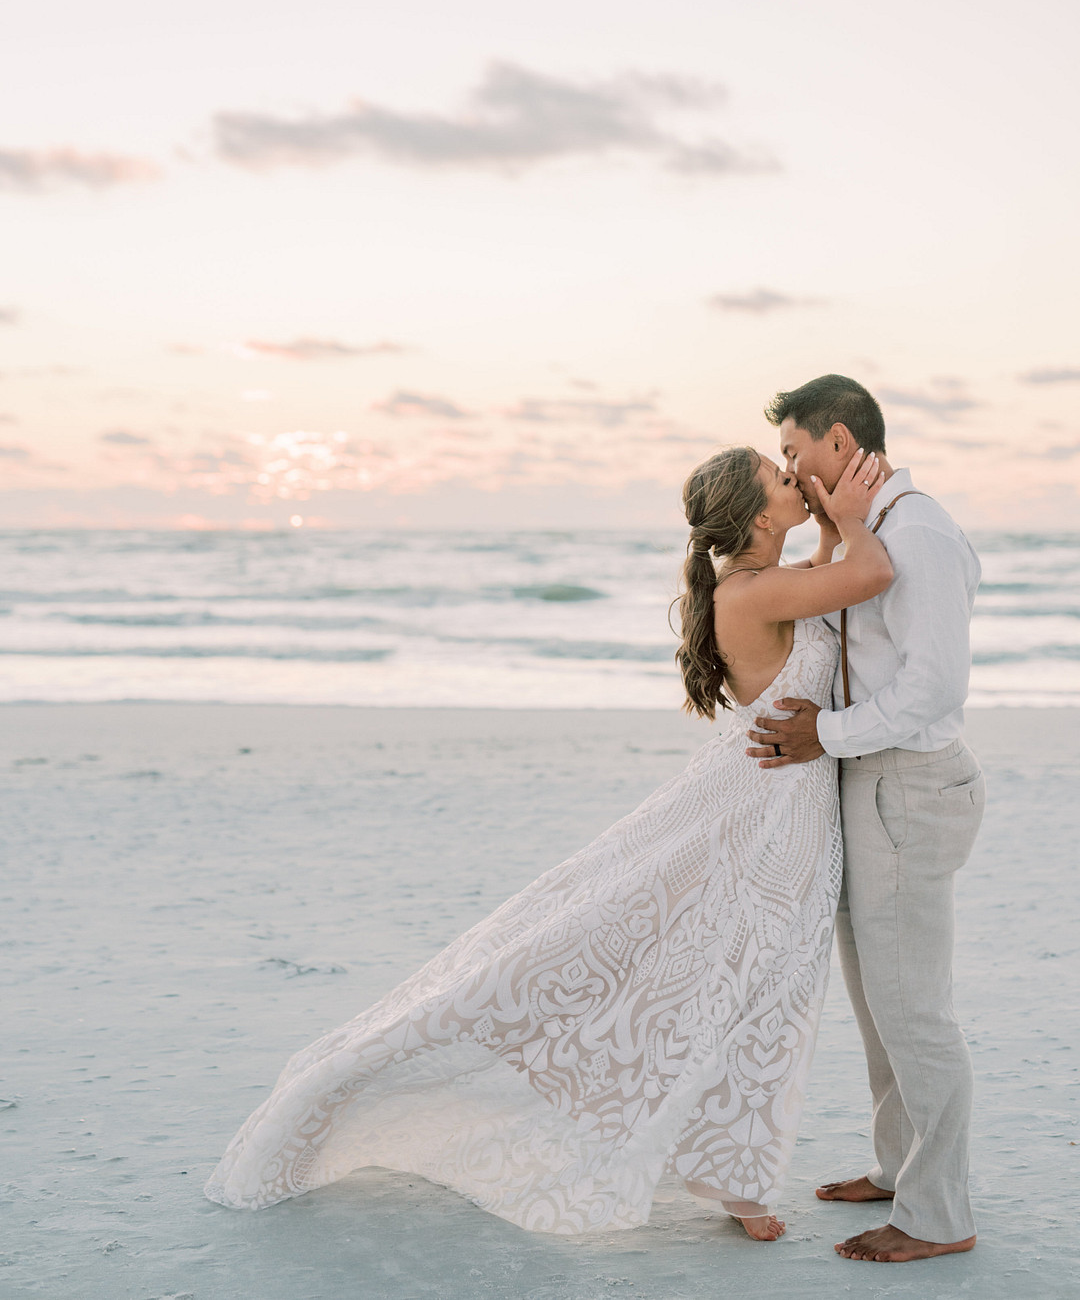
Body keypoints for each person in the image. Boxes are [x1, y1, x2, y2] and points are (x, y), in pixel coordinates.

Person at [205, 445, 891, 1241]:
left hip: (773, 805)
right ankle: (734, 1178)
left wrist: (833, 534)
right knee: (739, 986)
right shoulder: (756, 590)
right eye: (781, 480)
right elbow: (869, 577)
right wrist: (849, 518)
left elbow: (830, 578)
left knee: (752, 987)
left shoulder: (760, 583)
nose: (793, 479)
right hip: (763, 815)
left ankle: (735, 1174)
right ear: (758, 515)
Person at [747, 374, 984, 1264]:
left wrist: (826, 736)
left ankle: (938, 1213)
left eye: (795, 455)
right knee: (879, 1002)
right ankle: (899, 1168)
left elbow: (935, 686)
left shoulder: (916, 528)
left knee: (915, 1009)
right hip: (873, 780)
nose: (789, 472)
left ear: (840, 444)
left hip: (907, 784)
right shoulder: (870, 530)